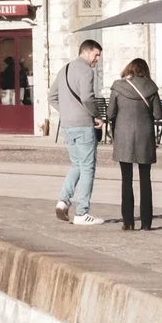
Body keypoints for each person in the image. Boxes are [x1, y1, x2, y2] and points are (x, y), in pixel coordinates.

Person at [54, 39, 106, 226]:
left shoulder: (64, 69)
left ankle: (63, 201)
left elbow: (52, 96)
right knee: (87, 168)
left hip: (67, 125)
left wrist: (67, 112)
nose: (97, 59)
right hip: (83, 125)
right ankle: (82, 212)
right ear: (85, 52)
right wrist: (97, 116)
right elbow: (87, 97)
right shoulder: (86, 71)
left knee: (76, 165)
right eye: (96, 54)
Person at [110, 58, 160, 231]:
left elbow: (110, 113)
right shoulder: (151, 87)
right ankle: (146, 222)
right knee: (146, 180)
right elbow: (158, 114)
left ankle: (128, 221)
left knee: (126, 180)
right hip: (145, 136)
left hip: (123, 136)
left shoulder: (118, 86)